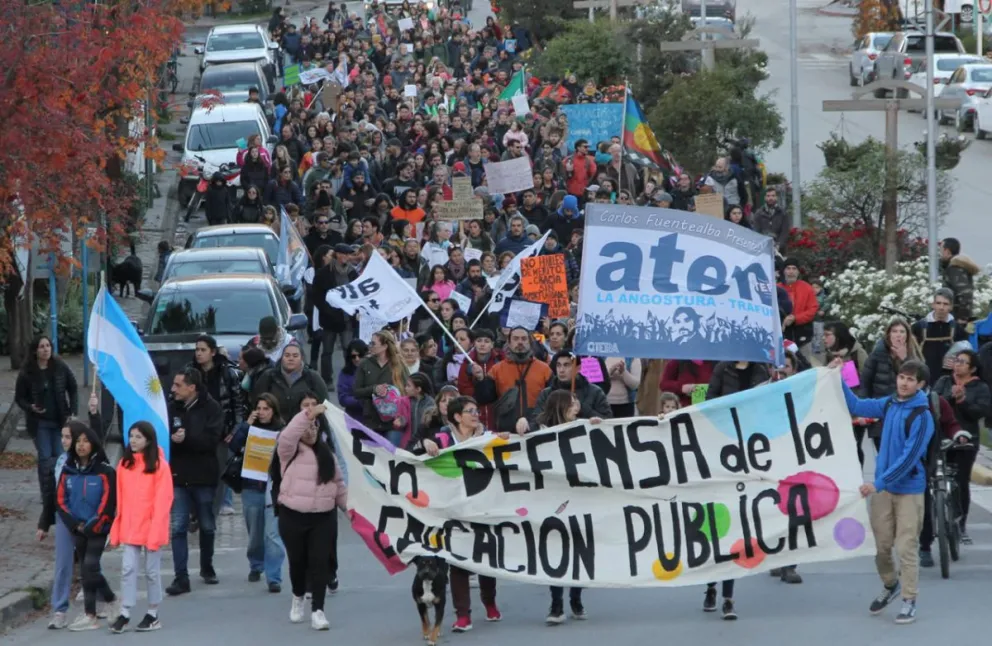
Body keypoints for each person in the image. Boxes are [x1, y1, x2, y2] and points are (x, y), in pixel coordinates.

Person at [841, 359, 935, 624]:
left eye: (910, 379)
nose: (904, 383)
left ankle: (909, 599)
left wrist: (878, 483)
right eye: (901, 377)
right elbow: (857, 406)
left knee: (906, 546)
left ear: (920, 385)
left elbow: (908, 459)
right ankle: (890, 584)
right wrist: (836, 377)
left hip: (908, 491)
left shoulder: (922, 416)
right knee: (881, 547)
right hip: (883, 489)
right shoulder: (890, 404)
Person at [419, 397, 508, 631]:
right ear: (457, 417)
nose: (476, 414)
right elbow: (413, 454)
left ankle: (489, 602)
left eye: (477, 410)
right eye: (470, 411)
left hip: (483, 506)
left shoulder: (488, 437)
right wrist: (425, 443)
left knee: (485, 558)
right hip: (453, 508)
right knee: (458, 560)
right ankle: (463, 615)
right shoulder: (443, 438)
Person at [704, 359, 775, 613]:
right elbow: (709, 402)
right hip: (722, 450)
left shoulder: (760, 370)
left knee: (737, 528)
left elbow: (769, 406)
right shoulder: (723, 369)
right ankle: (711, 586)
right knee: (717, 527)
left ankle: (728, 597)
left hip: (748, 452)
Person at [276, 403, 347, 631]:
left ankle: (318, 610)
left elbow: (339, 485)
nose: (310, 431)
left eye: (314, 427)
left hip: (322, 517)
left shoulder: (328, 455)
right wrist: (308, 415)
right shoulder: (289, 451)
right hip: (293, 515)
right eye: (307, 427)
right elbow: (288, 434)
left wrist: (351, 511)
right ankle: (298, 596)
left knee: (319, 563)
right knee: (298, 561)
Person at [36, 394, 101, 630]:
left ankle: (95, 604)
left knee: (90, 562)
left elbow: (99, 439)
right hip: (65, 520)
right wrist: (44, 523)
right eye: (62, 437)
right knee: (63, 564)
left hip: (88, 518)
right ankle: (59, 610)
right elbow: (52, 495)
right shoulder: (60, 462)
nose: (63, 441)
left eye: (67, 437)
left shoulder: (90, 459)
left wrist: (94, 413)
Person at [536, 390, 601, 624]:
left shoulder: (584, 427)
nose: (578, 406)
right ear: (561, 406)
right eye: (573, 403)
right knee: (556, 550)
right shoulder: (540, 432)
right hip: (553, 499)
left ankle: (576, 597)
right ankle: (556, 603)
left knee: (581, 549)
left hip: (581, 497)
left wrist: (598, 427)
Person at [108, 422, 174, 634]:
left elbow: (163, 501)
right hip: (131, 526)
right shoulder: (124, 465)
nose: (133, 440)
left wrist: (156, 529)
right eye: (131, 436)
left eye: (138, 437)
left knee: (152, 572)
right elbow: (120, 499)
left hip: (152, 526)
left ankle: (153, 612)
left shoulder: (160, 466)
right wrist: (118, 526)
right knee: (128, 569)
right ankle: (125, 611)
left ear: (148, 440)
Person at [165, 368, 225, 596]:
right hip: (179, 476)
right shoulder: (171, 408)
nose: (173, 389)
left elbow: (212, 440)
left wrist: (186, 438)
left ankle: (207, 566)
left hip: (204, 475)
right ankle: (181, 577)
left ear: (192, 388)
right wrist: (171, 439)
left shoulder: (212, 408)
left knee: (207, 525)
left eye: (178, 385)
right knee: (178, 527)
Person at [56, 422, 117, 631]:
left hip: (98, 528)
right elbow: (61, 501)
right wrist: (73, 524)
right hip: (77, 528)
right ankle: (93, 612)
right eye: (78, 441)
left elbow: (108, 502)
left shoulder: (105, 471)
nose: (81, 445)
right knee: (85, 570)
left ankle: (104, 603)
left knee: (91, 565)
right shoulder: (67, 470)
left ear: (93, 444)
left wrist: (93, 525)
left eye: (86, 441)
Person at [229, 393, 287, 593]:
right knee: (255, 531)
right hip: (252, 484)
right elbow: (233, 446)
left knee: (272, 534)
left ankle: (274, 577)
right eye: (259, 408)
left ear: (274, 410)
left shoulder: (282, 429)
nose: (262, 412)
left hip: (273, 486)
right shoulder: (249, 427)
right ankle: (256, 563)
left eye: (266, 409)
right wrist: (246, 425)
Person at [931, 349, 988, 545]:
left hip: (967, 439)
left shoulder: (980, 387)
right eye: (956, 360)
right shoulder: (944, 381)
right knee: (935, 478)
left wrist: (963, 401)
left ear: (972, 368)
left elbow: (980, 412)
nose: (958, 364)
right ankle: (935, 514)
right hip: (943, 437)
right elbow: (934, 404)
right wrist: (951, 396)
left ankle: (960, 523)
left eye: (963, 362)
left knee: (961, 481)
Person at [15, 336, 79, 501]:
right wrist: (30, 407)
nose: (46, 349)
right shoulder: (27, 372)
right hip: (39, 422)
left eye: (48, 346)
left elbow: (73, 388)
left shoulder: (60, 367)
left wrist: (73, 411)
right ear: (35, 351)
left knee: (59, 457)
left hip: (59, 420)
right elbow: (19, 398)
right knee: (45, 458)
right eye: (42, 347)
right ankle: (47, 494)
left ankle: (60, 491)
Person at [186, 335, 244, 516]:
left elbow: (237, 405)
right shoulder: (190, 373)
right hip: (196, 430)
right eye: (197, 350)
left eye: (203, 350)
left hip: (221, 431)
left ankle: (223, 503)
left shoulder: (226, 373)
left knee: (221, 468)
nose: (199, 353)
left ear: (212, 352)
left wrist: (234, 430)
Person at [474, 327, 552, 435]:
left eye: (524, 339)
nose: (520, 342)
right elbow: (483, 399)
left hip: (537, 430)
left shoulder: (544, 369)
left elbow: (552, 400)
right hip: (507, 434)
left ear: (530, 343)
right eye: (516, 339)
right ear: (509, 343)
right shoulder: (497, 370)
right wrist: (480, 379)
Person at [529, 351, 612, 427]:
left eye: (566, 365)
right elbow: (537, 420)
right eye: (558, 365)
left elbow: (608, 421)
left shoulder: (595, 392)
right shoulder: (546, 393)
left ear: (578, 368)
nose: (561, 370)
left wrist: (583, 408)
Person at [352, 330, 410, 442]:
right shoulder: (365, 364)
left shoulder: (399, 365)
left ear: (384, 346)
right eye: (370, 343)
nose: (370, 346)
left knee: (392, 456)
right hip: (371, 421)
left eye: (373, 343)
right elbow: (356, 391)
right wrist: (374, 389)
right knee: (375, 458)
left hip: (394, 422)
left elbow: (409, 389)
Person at [252, 341, 328, 421]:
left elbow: (325, 405)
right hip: (274, 427)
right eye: (287, 355)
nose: (291, 359)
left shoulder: (313, 377)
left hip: (305, 427)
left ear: (301, 358)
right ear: (282, 358)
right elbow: (256, 402)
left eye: (295, 356)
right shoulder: (269, 376)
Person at [911, 287, 968, 384]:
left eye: (945, 304)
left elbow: (967, 355)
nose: (941, 307)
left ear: (951, 307)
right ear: (933, 305)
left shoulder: (957, 329)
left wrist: (956, 363)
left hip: (949, 381)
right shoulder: (918, 327)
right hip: (923, 380)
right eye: (938, 303)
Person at [777, 258, 818, 356]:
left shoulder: (807, 288)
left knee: (804, 365)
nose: (791, 272)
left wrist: (796, 318)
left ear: (798, 272)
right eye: (788, 268)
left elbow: (812, 309)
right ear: (784, 271)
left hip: (803, 334)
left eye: (794, 268)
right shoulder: (776, 288)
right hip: (782, 334)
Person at [939, 237, 979, 322]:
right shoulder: (956, 267)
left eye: (941, 249)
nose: (940, 253)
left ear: (947, 251)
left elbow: (965, 293)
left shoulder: (955, 268)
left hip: (956, 318)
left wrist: (962, 318)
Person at [337, 340, 370, 421]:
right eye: (353, 356)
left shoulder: (375, 369)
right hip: (354, 419)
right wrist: (361, 401)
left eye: (360, 355)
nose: (357, 359)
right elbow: (343, 398)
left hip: (374, 420)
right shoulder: (345, 373)